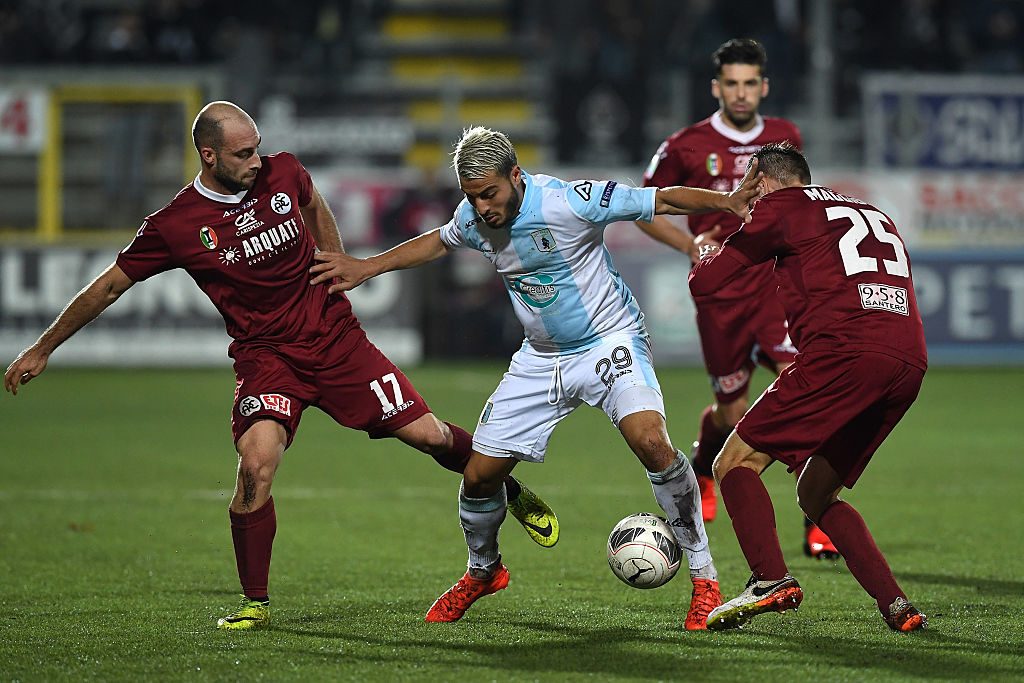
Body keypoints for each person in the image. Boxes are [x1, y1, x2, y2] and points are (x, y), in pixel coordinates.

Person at [3, 101, 560, 631]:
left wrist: (334, 261)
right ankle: (255, 602)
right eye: (243, 153)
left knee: (431, 436)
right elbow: (108, 286)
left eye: (258, 148)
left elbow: (314, 204)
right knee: (256, 465)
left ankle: (508, 489)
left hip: (336, 342)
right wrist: (44, 347)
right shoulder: (176, 224)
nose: (257, 160)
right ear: (209, 156)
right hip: (267, 359)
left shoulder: (284, 172)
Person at [309, 126, 763, 630]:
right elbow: (438, 241)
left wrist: (727, 203)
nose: (481, 207)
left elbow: (660, 200)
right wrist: (367, 267)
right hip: (541, 358)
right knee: (479, 476)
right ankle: (483, 571)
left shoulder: (569, 201)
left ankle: (704, 579)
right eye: (471, 196)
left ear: (516, 176)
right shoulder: (473, 218)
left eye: (489, 193)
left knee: (651, 441)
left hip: (608, 340)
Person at [690, 142, 928, 632]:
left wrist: (705, 253)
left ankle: (770, 579)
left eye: (750, 185)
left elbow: (707, 284)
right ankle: (898, 607)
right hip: (907, 363)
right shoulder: (870, 210)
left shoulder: (780, 205)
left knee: (734, 462)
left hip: (843, 353)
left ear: (760, 178)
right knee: (817, 494)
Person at [635, 38, 839, 560]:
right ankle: (705, 468)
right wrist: (689, 245)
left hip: (777, 286)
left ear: (764, 86)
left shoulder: (785, 137)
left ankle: (819, 518)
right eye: (732, 83)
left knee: (809, 390)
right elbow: (644, 209)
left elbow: (804, 203)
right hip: (721, 292)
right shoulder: (685, 145)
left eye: (750, 83)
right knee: (732, 410)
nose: (741, 93)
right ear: (716, 87)